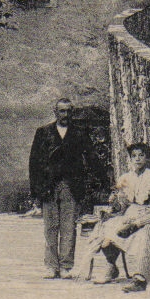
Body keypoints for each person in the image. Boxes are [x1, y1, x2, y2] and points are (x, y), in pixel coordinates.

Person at [85, 142, 150, 292]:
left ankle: (140, 272)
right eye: (134, 156)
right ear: (130, 159)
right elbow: (122, 206)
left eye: (141, 156)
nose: (137, 159)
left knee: (130, 229)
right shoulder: (126, 177)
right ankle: (111, 265)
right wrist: (116, 202)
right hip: (129, 212)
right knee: (107, 226)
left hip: (146, 214)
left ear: (147, 159)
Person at [27, 98, 99, 279]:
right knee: (50, 227)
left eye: (68, 111)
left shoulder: (79, 133)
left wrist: (100, 181)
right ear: (55, 112)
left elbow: (91, 158)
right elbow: (34, 162)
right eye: (62, 111)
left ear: (72, 113)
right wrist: (36, 190)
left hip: (71, 186)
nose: (65, 115)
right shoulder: (43, 133)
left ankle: (66, 265)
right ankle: (51, 266)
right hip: (49, 186)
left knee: (69, 227)